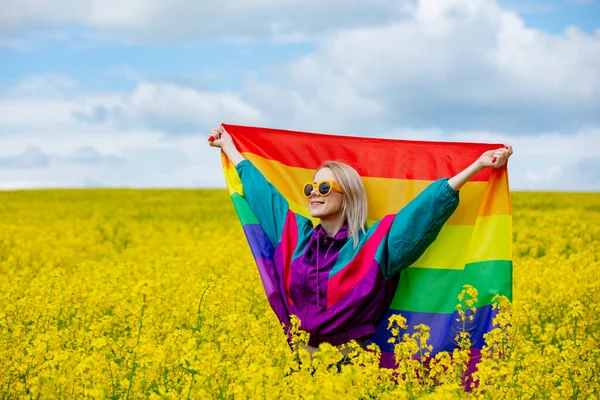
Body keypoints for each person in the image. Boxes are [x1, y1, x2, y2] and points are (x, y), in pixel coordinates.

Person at [208, 125, 513, 358]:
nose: (314, 192)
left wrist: (478, 167)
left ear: (347, 195)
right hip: (298, 368)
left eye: (324, 186)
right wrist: (230, 147)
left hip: (350, 371)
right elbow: (263, 195)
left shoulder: (375, 245)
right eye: (311, 187)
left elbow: (423, 212)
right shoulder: (295, 237)